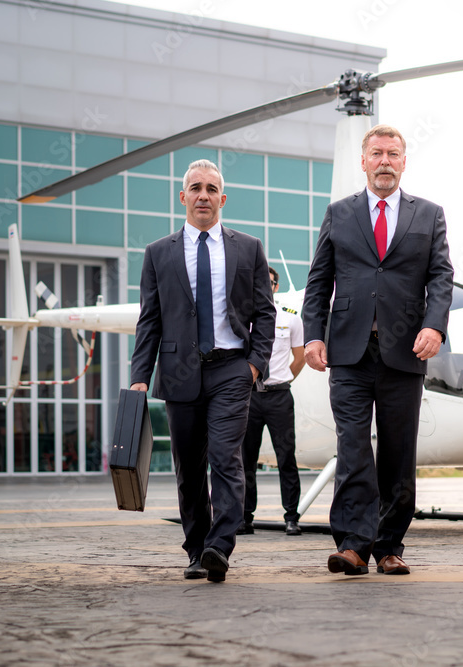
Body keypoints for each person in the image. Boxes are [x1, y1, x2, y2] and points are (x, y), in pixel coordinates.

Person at [303, 124, 454, 576]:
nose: (384, 160)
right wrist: (314, 335)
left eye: (393, 153)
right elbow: (318, 281)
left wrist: (435, 327)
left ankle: (390, 546)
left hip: (405, 352)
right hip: (348, 352)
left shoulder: (428, 214)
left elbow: (441, 278)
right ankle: (352, 544)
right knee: (352, 448)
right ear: (364, 161)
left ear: (403, 162)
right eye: (376, 153)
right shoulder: (338, 213)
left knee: (397, 452)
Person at [129, 159, 276, 583]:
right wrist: (141, 374)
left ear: (222, 199)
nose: (204, 196)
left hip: (232, 368)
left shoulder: (247, 248)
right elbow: (150, 320)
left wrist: (254, 365)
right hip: (178, 372)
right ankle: (196, 549)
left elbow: (264, 314)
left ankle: (219, 546)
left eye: (212, 189)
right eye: (196, 188)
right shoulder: (158, 253)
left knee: (226, 458)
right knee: (188, 468)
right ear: (183, 197)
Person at [239, 267, 305, 536]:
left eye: (269, 283)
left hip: (279, 397)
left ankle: (291, 517)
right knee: (245, 459)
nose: (265, 286)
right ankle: (244, 518)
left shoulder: (290, 320)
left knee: (286, 457)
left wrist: (285, 379)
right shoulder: (242, 320)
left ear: (276, 287)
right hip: (249, 397)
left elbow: (299, 358)